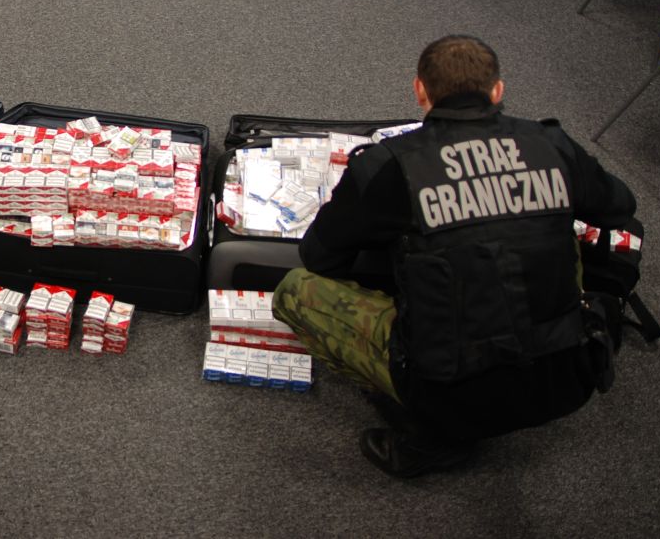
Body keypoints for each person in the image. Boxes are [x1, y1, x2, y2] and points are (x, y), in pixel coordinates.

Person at [272, 35, 636, 478]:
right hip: (568, 376)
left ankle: (432, 440)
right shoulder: (550, 143)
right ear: (497, 90)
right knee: (554, 231)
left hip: (451, 394)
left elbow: (319, 257)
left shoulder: (392, 164)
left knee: (295, 292)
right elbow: (620, 206)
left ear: (419, 90)